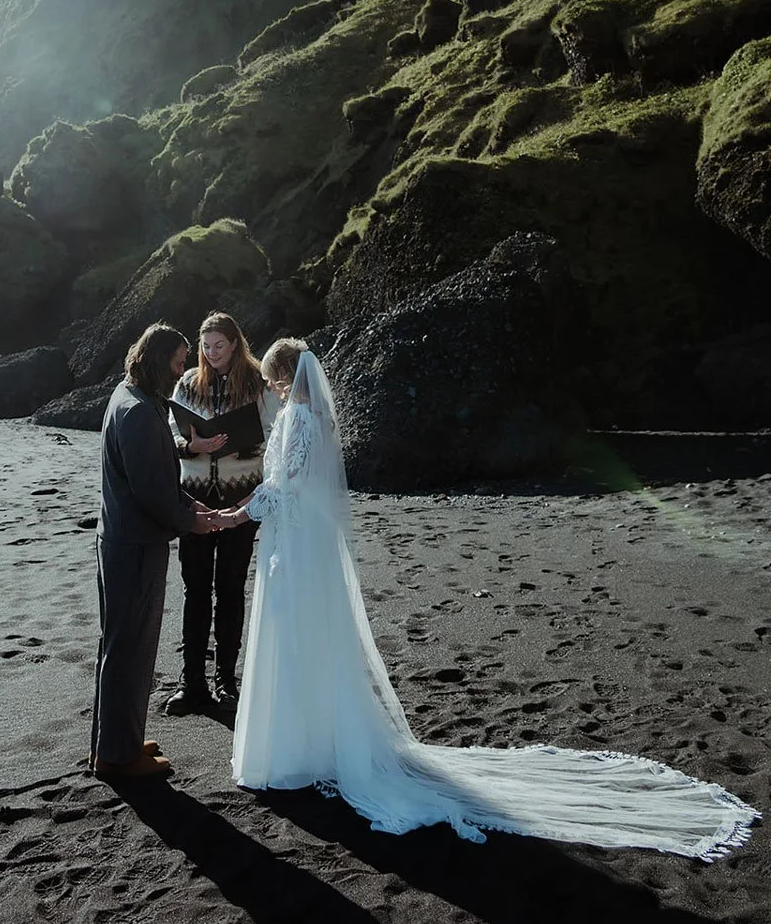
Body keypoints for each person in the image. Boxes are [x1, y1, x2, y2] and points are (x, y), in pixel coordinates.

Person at [216, 339, 760, 858]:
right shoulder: (313, 421)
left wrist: (234, 514)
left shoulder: (296, 420)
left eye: (273, 381)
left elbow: (283, 487)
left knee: (293, 635)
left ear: (285, 379)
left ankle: (296, 750)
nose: (273, 389)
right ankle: (318, 742)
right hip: (305, 544)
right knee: (311, 637)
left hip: (293, 545)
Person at [90, 322, 221, 782]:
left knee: (118, 646)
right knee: (130, 648)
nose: (183, 369)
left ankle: (114, 742)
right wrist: (193, 521)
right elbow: (150, 491)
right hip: (136, 546)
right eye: (180, 361)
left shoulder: (126, 397)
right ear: (159, 359)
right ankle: (119, 758)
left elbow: (154, 480)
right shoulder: (141, 413)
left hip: (120, 540)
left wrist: (188, 504)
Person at [164, 311, 280, 715]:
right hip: (193, 497)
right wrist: (194, 448)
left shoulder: (258, 387)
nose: (211, 354)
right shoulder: (186, 384)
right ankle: (191, 683)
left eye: (219, 346)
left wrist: (238, 447)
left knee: (230, 589)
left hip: (241, 500)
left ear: (235, 344)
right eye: (206, 347)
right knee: (194, 590)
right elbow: (171, 439)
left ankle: (226, 681)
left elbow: (275, 437)